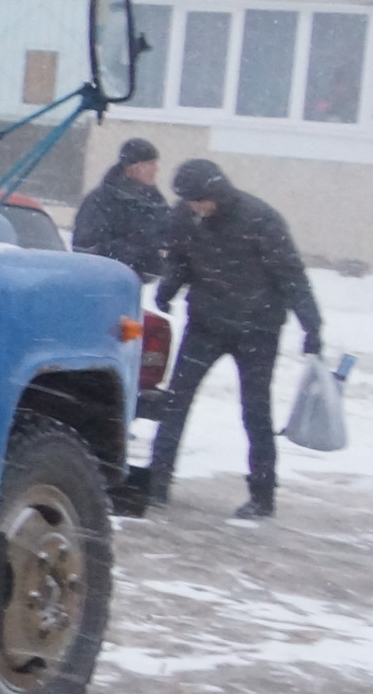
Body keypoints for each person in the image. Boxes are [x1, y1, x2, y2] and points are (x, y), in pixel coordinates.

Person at [127, 156, 323, 523]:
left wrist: (312, 327)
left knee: (255, 411)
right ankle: (157, 483)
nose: (190, 206)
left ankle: (262, 496)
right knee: (176, 403)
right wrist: (167, 289)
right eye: (186, 200)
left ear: (214, 193)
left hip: (257, 330)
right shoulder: (188, 216)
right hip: (206, 324)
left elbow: (291, 275)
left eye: (196, 199)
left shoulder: (260, 220)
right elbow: (182, 259)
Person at [70, 137, 172, 273]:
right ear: (131, 167)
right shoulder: (100, 200)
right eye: (150, 164)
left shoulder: (155, 200)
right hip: (107, 278)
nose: (156, 169)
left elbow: (166, 233)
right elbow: (85, 247)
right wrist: (138, 248)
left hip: (142, 281)